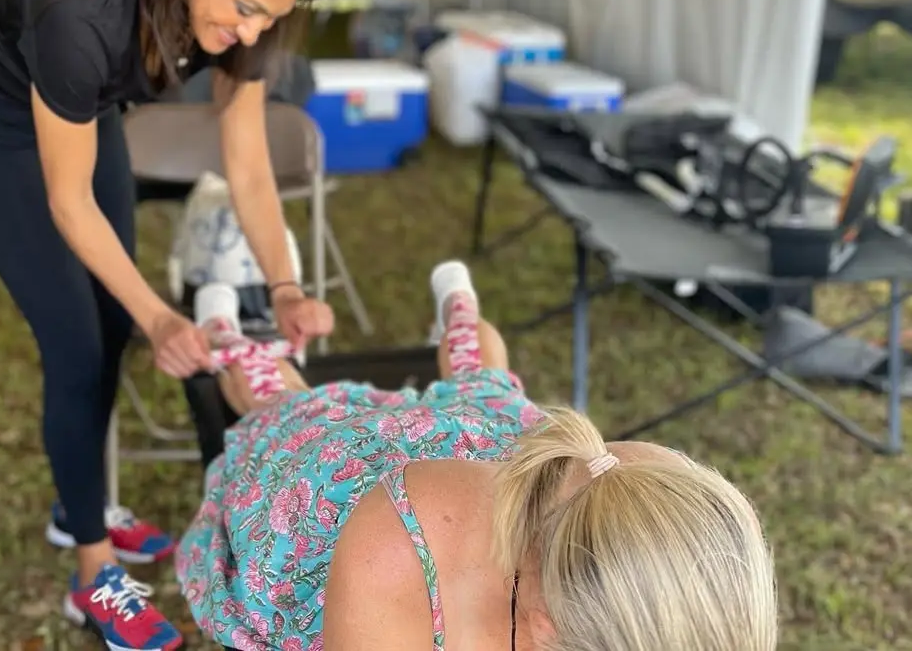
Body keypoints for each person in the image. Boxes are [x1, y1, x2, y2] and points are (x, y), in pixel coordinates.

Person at [0, 0, 333, 651]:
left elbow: (246, 166)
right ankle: (90, 575)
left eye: (273, 15)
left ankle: (77, 499)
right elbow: (69, 202)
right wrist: (162, 314)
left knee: (115, 321)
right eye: (246, 8)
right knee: (77, 347)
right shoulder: (79, 9)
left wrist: (285, 283)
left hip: (86, 113)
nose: (254, 32)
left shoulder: (240, 18)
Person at [176, 261, 779, 650]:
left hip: (486, 446)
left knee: (484, 381)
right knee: (280, 399)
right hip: (329, 486)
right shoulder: (382, 565)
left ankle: (459, 300)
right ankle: (226, 328)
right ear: (546, 626)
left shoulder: (668, 509)